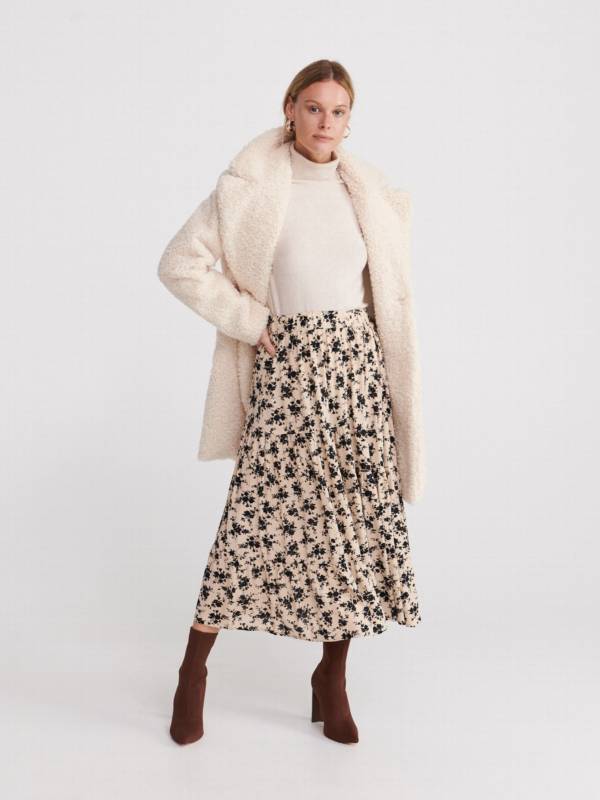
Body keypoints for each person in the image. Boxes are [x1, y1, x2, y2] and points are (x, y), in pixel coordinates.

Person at [157, 59, 425, 746]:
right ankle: (193, 671)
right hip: (289, 372)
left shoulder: (368, 192)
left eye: (338, 111)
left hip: (358, 374)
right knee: (252, 519)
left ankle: (331, 678)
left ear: (349, 120)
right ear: (290, 109)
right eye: (313, 108)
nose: (325, 122)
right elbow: (180, 263)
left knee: (350, 526)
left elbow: (384, 294)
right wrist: (249, 321)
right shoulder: (250, 187)